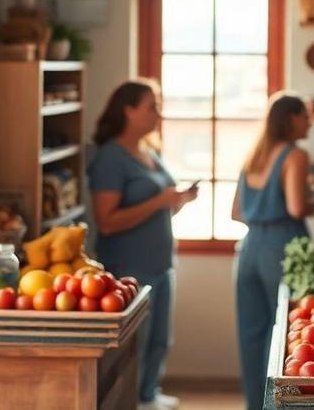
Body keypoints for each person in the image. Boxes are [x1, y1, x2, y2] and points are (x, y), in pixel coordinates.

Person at [88, 80, 198, 410]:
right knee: (134, 341)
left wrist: (178, 201)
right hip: (127, 267)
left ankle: (148, 395)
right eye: (152, 106)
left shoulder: (151, 153)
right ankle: (130, 401)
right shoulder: (110, 158)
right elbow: (107, 221)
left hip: (160, 262)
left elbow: (161, 204)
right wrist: (159, 201)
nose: (158, 113)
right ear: (128, 110)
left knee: (160, 338)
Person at [232, 93, 314, 410]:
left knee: (252, 332)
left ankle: (254, 404)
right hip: (283, 247)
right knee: (286, 331)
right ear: (291, 119)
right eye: (306, 116)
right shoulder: (294, 156)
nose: (310, 122)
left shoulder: (254, 156)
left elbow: (236, 212)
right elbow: (297, 207)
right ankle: (276, 404)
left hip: (248, 248)